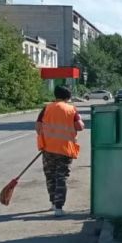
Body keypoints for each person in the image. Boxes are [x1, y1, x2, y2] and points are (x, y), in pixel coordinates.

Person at [36, 86, 84, 216]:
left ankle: (53, 203)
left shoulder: (46, 108)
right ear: (68, 97)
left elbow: (38, 127)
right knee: (61, 177)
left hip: (48, 149)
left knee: (50, 177)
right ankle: (59, 208)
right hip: (65, 149)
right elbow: (80, 127)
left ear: (56, 96)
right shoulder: (71, 109)